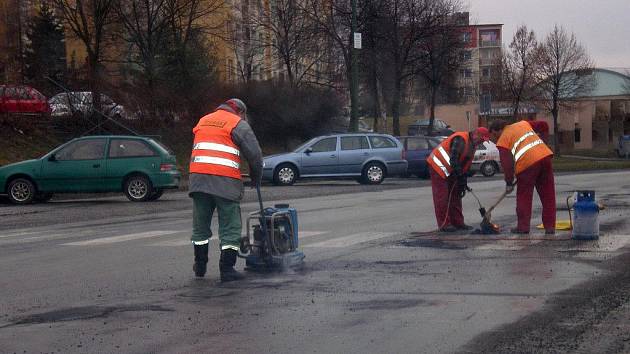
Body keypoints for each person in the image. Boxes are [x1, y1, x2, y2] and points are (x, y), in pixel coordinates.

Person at [189, 98, 263, 282]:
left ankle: (200, 265)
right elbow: (255, 156)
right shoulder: (238, 124)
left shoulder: (203, 120)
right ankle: (227, 268)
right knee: (230, 226)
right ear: (240, 112)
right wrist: (256, 178)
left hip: (198, 180)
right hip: (225, 182)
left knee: (200, 226)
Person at [488, 119, 556, 235]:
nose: (494, 141)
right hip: (545, 157)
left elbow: (507, 164)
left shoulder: (503, 139)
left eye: (493, 138)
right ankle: (550, 227)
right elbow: (544, 125)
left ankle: (523, 227)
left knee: (524, 197)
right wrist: (544, 143)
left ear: (495, 132)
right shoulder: (523, 124)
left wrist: (509, 182)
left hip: (527, 164)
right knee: (548, 196)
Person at [427, 127, 491, 232]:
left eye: (484, 140)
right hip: (438, 167)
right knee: (442, 197)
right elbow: (454, 159)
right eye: (481, 139)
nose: (482, 142)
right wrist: (460, 175)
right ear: (476, 134)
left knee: (456, 195)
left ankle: (458, 222)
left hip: (452, 170)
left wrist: (463, 180)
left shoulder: (472, 145)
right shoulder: (460, 139)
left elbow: (465, 164)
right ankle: (444, 224)